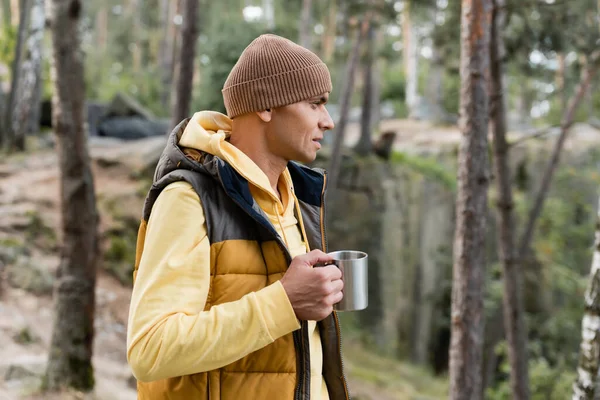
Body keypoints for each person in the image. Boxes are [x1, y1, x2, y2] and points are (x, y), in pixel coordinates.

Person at [127, 34, 350, 400]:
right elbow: (149, 350)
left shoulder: (293, 196)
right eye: (316, 104)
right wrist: (284, 302)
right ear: (266, 105)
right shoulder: (187, 199)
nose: (328, 121)